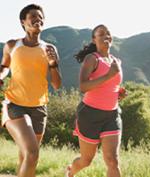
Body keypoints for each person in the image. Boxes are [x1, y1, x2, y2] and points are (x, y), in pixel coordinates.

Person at [0, 4, 62, 177]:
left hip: (39, 108)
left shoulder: (49, 49)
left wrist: (54, 64)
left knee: (26, 157)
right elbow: (4, 67)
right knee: (33, 154)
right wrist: (1, 75)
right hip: (15, 104)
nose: (38, 19)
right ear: (23, 22)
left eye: (40, 16)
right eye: (33, 16)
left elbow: (56, 84)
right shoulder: (12, 45)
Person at [66, 24, 126, 177]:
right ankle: (70, 172)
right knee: (86, 160)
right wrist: (108, 76)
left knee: (113, 160)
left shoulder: (116, 61)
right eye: (101, 34)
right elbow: (83, 86)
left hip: (112, 115)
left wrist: (118, 92)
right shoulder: (92, 59)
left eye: (108, 33)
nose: (106, 36)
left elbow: (110, 85)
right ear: (94, 39)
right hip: (90, 114)